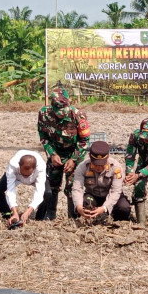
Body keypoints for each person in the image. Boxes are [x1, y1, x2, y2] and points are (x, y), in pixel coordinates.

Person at [38, 87, 91, 218]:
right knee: (52, 185)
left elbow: (84, 140)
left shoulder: (78, 115)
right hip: (55, 153)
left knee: (73, 186)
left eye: (63, 111)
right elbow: (43, 136)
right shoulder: (44, 114)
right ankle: (50, 214)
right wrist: (52, 154)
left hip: (73, 154)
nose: (61, 114)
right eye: (58, 111)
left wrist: (73, 160)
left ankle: (73, 216)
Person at [0, 149, 54, 227]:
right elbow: (10, 190)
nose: (25, 177)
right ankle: (9, 216)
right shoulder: (13, 165)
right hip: (16, 176)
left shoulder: (41, 167)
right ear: (19, 166)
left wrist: (28, 212)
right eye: (23, 174)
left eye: (27, 175)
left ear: (35, 168)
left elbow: (39, 192)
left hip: (35, 177)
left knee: (47, 193)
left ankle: (39, 218)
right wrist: (14, 212)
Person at [71, 141, 130, 221]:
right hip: (93, 195)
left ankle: (116, 220)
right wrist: (79, 207)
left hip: (111, 195)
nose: (98, 168)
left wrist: (104, 208)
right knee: (83, 203)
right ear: (90, 157)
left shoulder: (116, 167)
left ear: (107, 157)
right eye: (96, 164)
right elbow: (77, 189)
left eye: (102, 164)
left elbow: (115, 191)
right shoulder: (82, 167)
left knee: (124, 207)